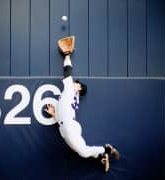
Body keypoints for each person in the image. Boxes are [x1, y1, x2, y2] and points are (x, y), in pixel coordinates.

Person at [44, 36, 119, 172]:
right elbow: (65, 110)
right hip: (67, 125)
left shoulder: (71, 89)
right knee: (82, 151)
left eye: (77, 83)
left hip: (68, 126)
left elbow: (67, 71)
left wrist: (67, 56)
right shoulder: (71, 93)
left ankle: (105, 150)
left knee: (83, 152)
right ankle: (102, 155)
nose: (74, 82)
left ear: (79, 87)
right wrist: (55, 115)